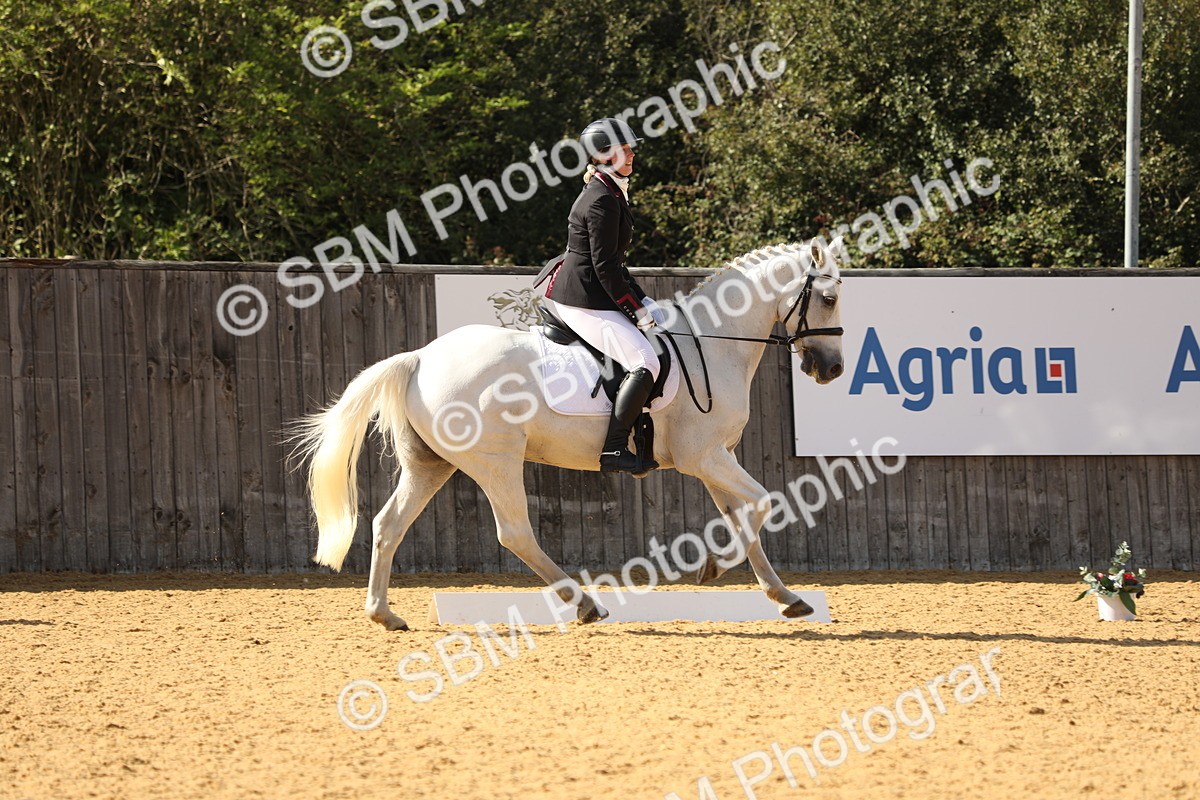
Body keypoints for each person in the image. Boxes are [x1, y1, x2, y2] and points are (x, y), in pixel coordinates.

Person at [542, 118, 667, 474]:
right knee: (646, 363)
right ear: (603, 155)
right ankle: (612, 451)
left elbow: (615, 262)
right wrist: (636, 311)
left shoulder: (610, 191)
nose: (630, 155)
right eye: (622, 149)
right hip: (582, 297)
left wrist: (643, 299)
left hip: (593, 289)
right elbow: (604, 269)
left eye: (630, 149)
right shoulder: (601, 200)